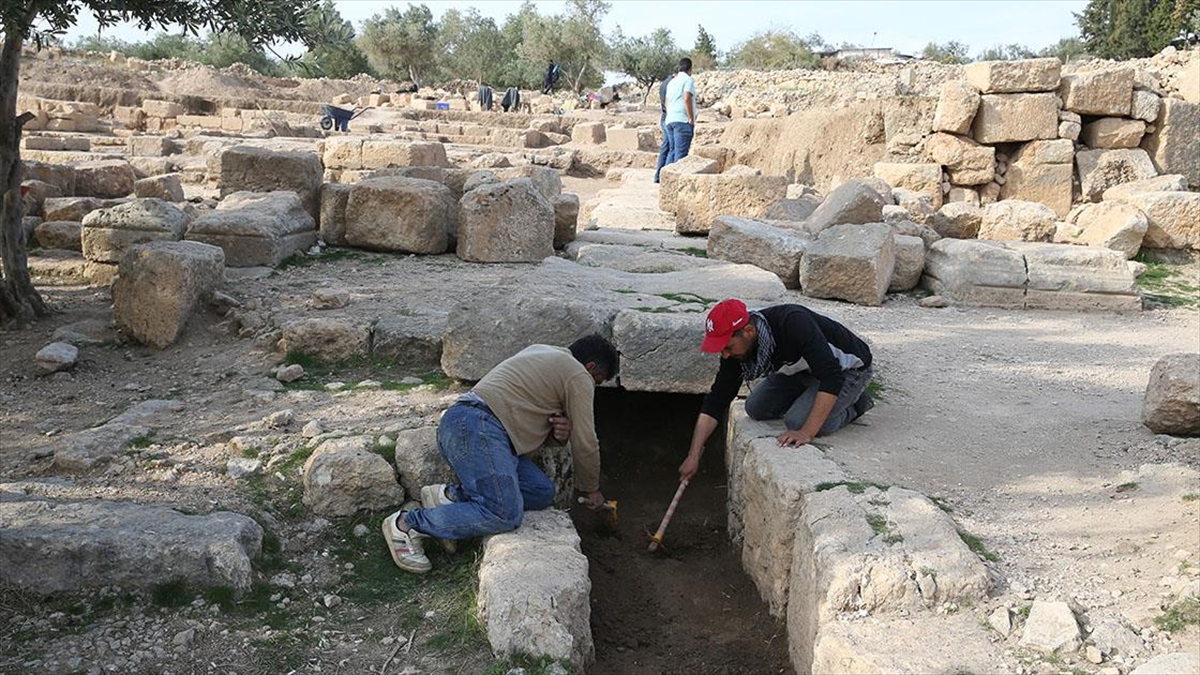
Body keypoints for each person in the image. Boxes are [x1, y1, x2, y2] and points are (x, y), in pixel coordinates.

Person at [383, 335, 619, 574]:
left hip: (474, 427)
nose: (593, 386)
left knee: (541, 491)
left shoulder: (542, 350)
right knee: (504, 513)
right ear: (590, 367)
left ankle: (450, 497)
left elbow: (524, 418)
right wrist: (591, 489)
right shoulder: (578, 374)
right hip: (478, 426)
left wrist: (558, 436)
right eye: (597, 381)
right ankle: (407, 524)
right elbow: (586, 440)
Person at [678, 299, 875, 482]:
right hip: (802, 370)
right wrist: (693, 455)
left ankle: (857, 404)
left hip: (848, 371)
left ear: (747, 331)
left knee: (797, 421)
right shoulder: (738, 351)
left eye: (727, 346)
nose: (725, 354)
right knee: (755, 407)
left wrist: (806, 432)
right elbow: (717, 400)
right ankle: (812, 395)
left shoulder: (792, 323)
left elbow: (832, 377)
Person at [662, 57, 697, 170]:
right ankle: (676, 184)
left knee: (672, 152)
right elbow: (687, 97)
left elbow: (666, 102)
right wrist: (691, 118)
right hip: (682, 121)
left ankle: (665, 181)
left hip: (670, 119)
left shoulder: (672, 82)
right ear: (690, 69)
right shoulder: (688, 80)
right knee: (681, 157)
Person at [652, 73, 673, 183]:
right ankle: (666, 177)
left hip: (664, 117)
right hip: (670, 117)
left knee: (665, 148)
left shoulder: (664, 83)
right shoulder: (672, 84)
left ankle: (658, 175)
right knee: (672, 148)